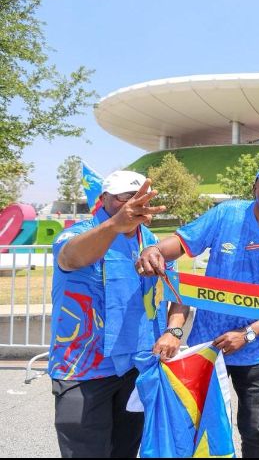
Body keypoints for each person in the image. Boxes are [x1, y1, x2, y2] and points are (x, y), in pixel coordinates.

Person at [136, 161, 259, 458]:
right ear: (255, 189)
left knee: (253, 427)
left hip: (254, 347)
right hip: (206, 343)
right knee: (200, 420)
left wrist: (247, 334)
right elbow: (184, 242)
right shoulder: (228, 213)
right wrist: (156, 250)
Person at [49, 171, 166, 458]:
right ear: (103, 200)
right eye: (124, 198)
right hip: (83, 369)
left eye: (139, 199)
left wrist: (173, 331)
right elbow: (70, 257)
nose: (132, 205)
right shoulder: (78, 232)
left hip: (135, 368)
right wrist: (115, 225)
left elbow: (172, 292)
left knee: (124, 452)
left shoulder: (149, 241)